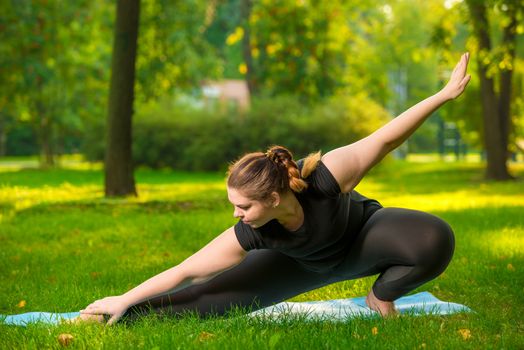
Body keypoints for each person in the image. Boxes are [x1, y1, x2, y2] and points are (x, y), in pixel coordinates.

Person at [78, 53, 471, 325]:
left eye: (243, 206)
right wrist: (125, 301)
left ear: (272, 198)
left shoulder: (324, 177)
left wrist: (442, 95)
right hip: (300, 267)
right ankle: (116, 318)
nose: (236, 214)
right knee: (206, 300)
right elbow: (187, 273)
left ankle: (380, 297)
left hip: (363, 239)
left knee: (433, 239)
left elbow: (386, 139)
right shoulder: (253, 230)